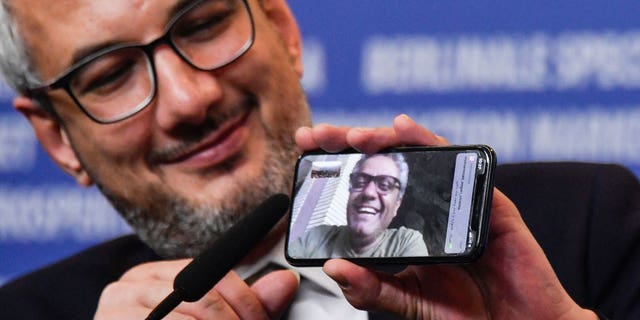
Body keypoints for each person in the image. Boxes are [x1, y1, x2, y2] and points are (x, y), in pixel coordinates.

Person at [0, 0, 634, 319]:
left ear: (284, 30)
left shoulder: (584, 226)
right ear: (57, 139)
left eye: (202, 25)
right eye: (110, 75)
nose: (189, 100)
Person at [289, 153, 429, 258]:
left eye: (385, 185)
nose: (368, 192)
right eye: (360, 181)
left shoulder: (405, 242)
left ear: (397, 205)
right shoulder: (317, 236)